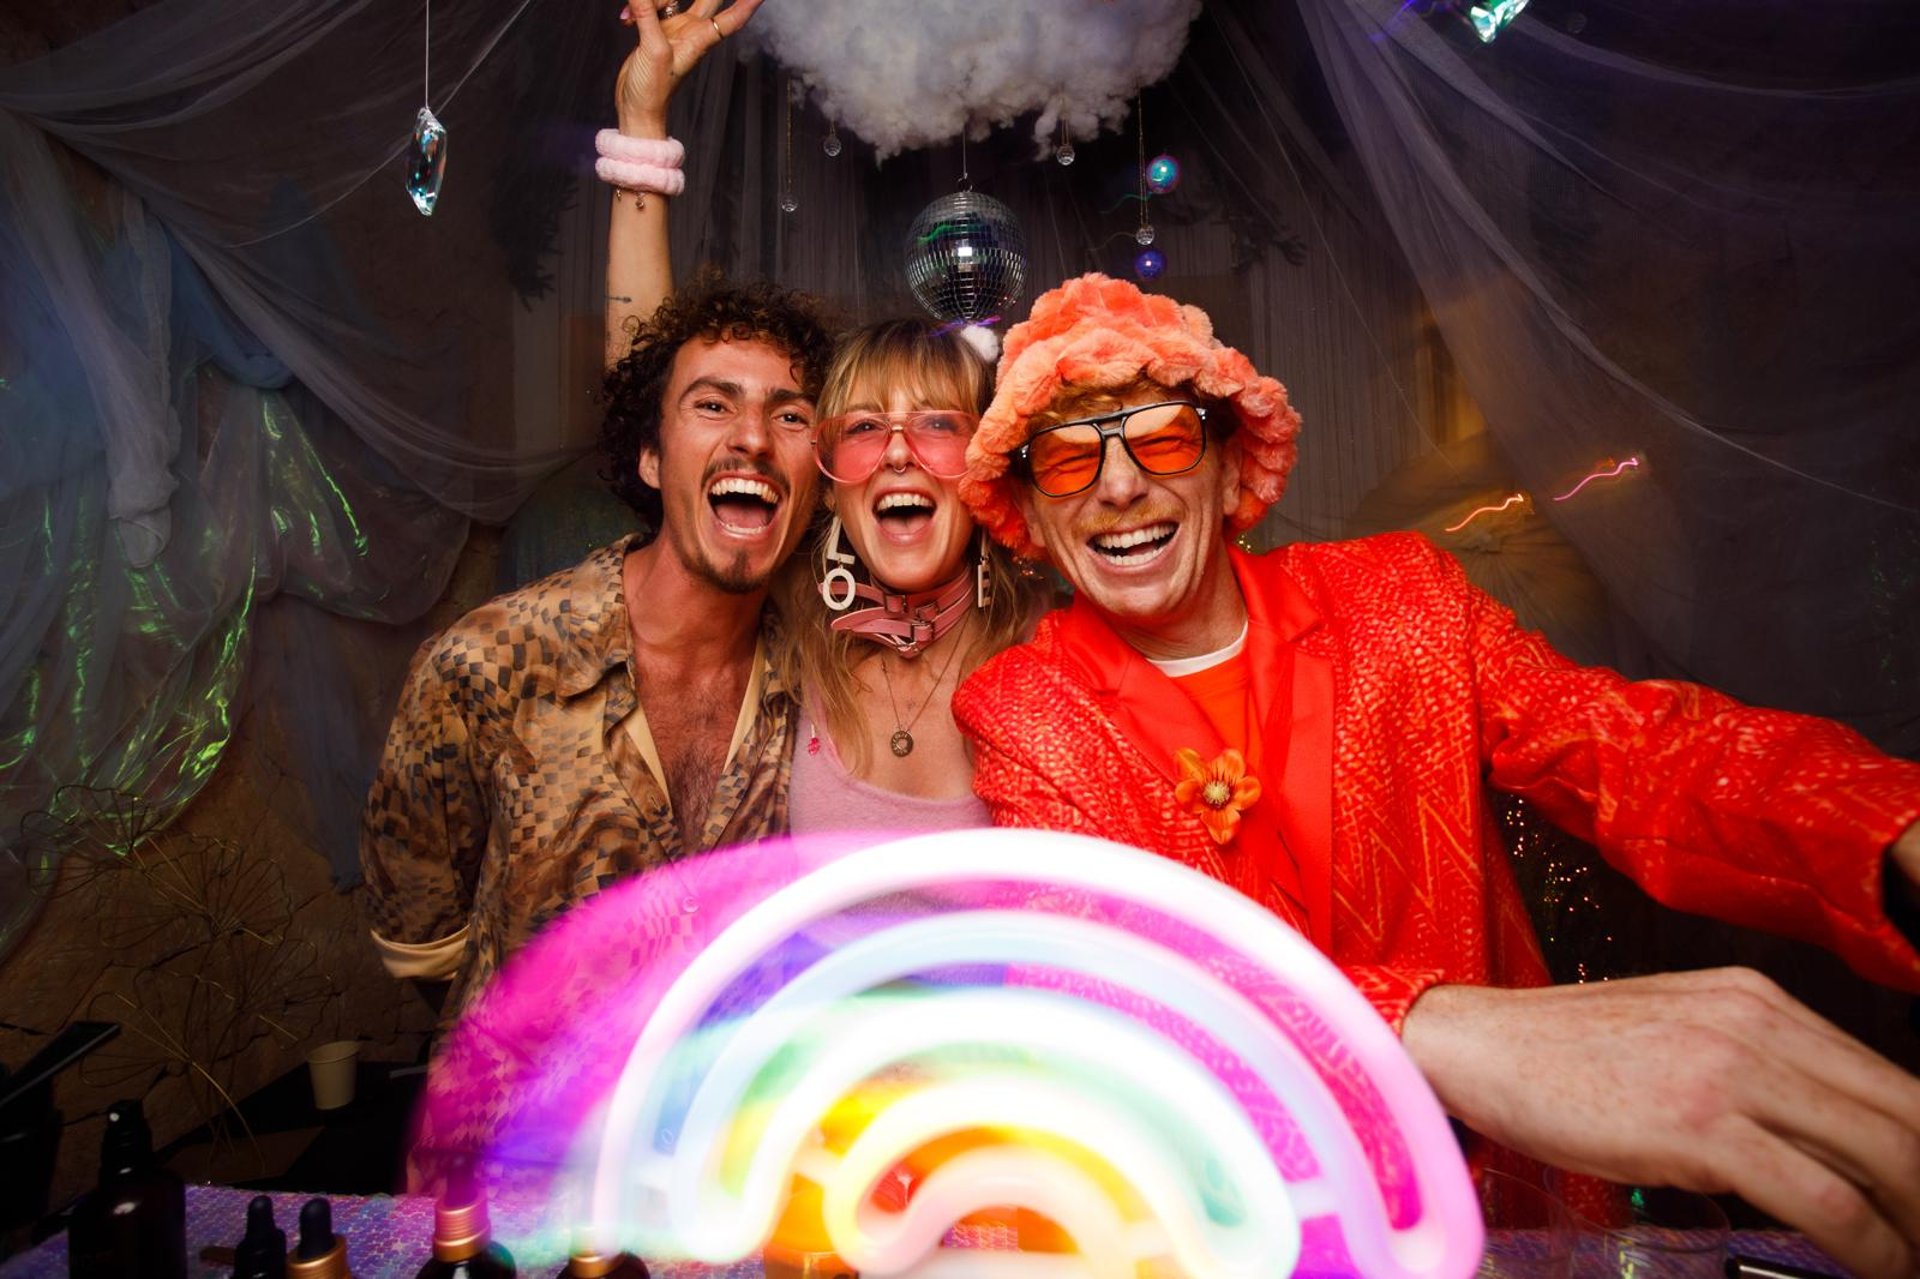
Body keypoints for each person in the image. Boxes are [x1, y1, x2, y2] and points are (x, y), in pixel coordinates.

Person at [951, 273, 1920, 1277]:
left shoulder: (1403, 599)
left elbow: (1629, 747)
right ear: (1028, 507)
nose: (1118, 487)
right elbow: (1112, 997)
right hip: (1228, 1243)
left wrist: (1886, 823)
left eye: (1160, 440)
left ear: (1229, 461)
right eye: (1066, 460)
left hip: (1508, 1221)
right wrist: (1426, 1025)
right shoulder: (1021, 710)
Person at [359, 271, 834, 1023]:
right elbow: (425, 943)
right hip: (526, 1137)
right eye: (713, 404)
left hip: (721, 1133)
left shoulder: (827, 685)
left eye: (791, 415)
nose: (752, 436)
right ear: (650, 456)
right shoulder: (485, 666)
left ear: (820, 476)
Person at [775, 318, 1045, 833]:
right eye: (863, 427)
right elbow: (670, 420)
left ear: (985, 469)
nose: (898, 452)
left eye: (939, 424)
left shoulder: (1049, 645)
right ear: (828, 486)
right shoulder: (794, 612)